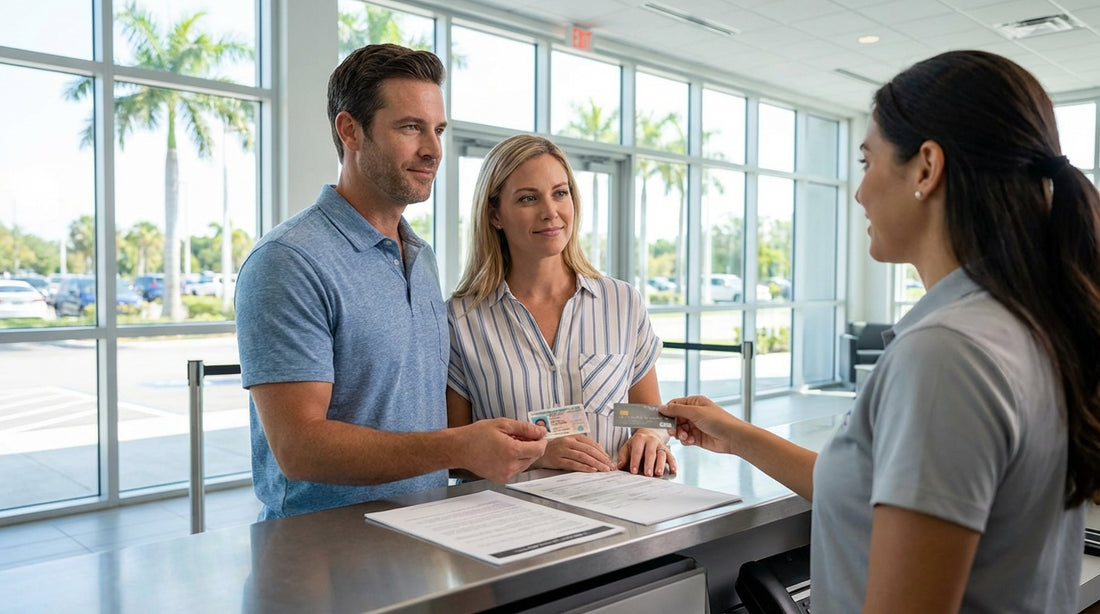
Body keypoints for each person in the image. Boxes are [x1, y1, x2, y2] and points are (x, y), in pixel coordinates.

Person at [662, 50, 1100, 613]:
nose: (860, 191)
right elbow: (881, 492)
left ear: (925, 167)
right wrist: (736, 435)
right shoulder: (1024, 324)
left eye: (868, 163)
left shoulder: (946, 355)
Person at [235, 44, 546, 521]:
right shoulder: (288, 261)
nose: (433, 150)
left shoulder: (421, 257)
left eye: (438, 129)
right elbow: (298, 448)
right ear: (350, 130)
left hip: (423, 533)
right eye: (410, 127)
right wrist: (457, 446)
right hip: (321, 555)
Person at [447, 134, 675, 478]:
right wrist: (535, 455)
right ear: (495, 214)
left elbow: (642, 413)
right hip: (514, 521)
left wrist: (649, 434)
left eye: (560, 193)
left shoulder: (622, 303)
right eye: (528, 198)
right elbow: (453, 456)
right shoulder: (461, 320)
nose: (550, 212)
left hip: (616, 514)